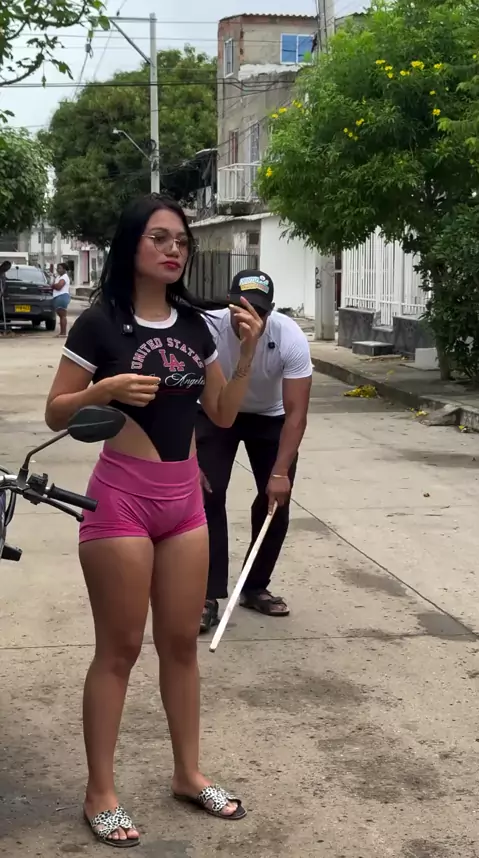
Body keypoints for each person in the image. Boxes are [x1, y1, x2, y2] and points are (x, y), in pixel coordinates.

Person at [44, 195, 262, 848]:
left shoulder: (196, 326)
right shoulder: (100, 324)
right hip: (121, 499)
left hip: (183, 502)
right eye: (160, 238)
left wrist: (247, 353)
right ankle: (100, 792)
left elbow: (221, 413)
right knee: (119, 650)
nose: (174, 250)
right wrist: (103, 391)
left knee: (181, 645)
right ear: (131, 244)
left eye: (182, 241)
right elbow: (56, 412)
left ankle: (188, 774)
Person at [197, 269, 312, 633]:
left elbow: (296, 413)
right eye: (240, 307)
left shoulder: (289, 337)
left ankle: (253, 586)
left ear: (271, 311)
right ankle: (206, 594)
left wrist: (280, 472)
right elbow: (182, 390)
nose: (248, 317)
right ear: (229, 305)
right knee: (207, 494)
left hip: (269, 416)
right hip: (216, 412)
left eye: (258, 310)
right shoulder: (206, 328)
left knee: (275, 503)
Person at [53, 262, 71, 337]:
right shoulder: (59, 277)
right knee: (61, 315)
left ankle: (63, 333)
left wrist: (53, 285)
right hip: (58, 297)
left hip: (62, 297)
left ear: (64, 269)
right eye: (57, 268)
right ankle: (62, 332)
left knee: (63, 315)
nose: (58, 270)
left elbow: (59, 286)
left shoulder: (64, 277)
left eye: (60, 268)